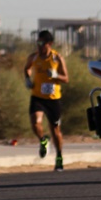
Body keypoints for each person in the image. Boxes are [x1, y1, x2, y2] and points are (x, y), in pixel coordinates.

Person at [24, 29, 68, 171]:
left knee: (55, 130)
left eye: (43, 43)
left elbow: (66, 78)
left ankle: (59, 156)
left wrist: (55, 75)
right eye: (38, 43)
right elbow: (27, 69)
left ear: (50, 44)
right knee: (35, 123)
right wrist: (27, 79)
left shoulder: (57, 58)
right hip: (37, 96)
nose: (40, 46)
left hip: (53, 99)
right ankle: (43, 140)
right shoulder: (34, 57)